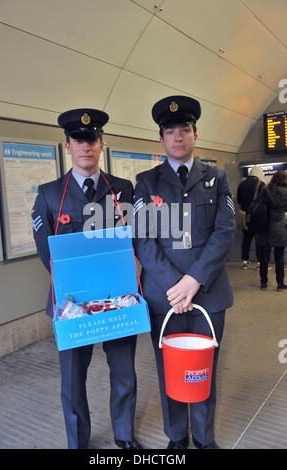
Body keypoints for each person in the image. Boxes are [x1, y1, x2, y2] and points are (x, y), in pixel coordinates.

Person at [32, 108, 141, 450]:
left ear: (101, 143)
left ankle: (124, 435)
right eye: (78, 140)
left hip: (119, 300)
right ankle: (78, 441)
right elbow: (46, 252)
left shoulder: (123, 190)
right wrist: (80, 287)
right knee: (73, 381)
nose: (85, 147)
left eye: (91, 140)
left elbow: (136, 239)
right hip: (72, 303)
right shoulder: (50, 194)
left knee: (124, 374)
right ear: (67, 146)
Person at [133, 95, 235, 449]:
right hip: (166, 297)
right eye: (171, 131)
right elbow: (144, 239)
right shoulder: (146, 183)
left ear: (195, 134)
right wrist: (175, 286)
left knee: (204, 367)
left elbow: (224, 233)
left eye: (185, 130)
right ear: (161, 139)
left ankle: (204, 438)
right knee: (169, 369)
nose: (178, 137)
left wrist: (193, 281)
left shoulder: (217, 178)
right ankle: (177, 436)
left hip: (208, 292)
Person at [256, 170, 287, 291]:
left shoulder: (265, 191)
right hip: (279, 227)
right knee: (279, 257)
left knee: (264, 257)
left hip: (264, 226)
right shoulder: (285, 193)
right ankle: (280, 284)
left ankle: (263, 283)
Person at [237, 166, 266, 269]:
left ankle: (245, 261)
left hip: (245, 216)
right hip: (258, 217)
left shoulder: (242, 184)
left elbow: (239, 200)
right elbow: (265, 200)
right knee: (259, 240)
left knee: (246, 239)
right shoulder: (261, 184)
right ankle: (259, 263)